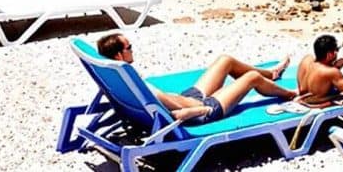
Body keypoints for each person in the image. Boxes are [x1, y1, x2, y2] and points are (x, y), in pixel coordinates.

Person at [95, 34, 294, 121]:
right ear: (119, 55)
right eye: (129, 48)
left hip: (189, 98)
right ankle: (291, 94)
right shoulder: (132, 82)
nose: (132, 50)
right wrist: (204, 109)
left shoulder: (121, 77)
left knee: (225, 60)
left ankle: (272, 73)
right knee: (251, 77)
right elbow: (174, 116)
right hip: (202, 111)